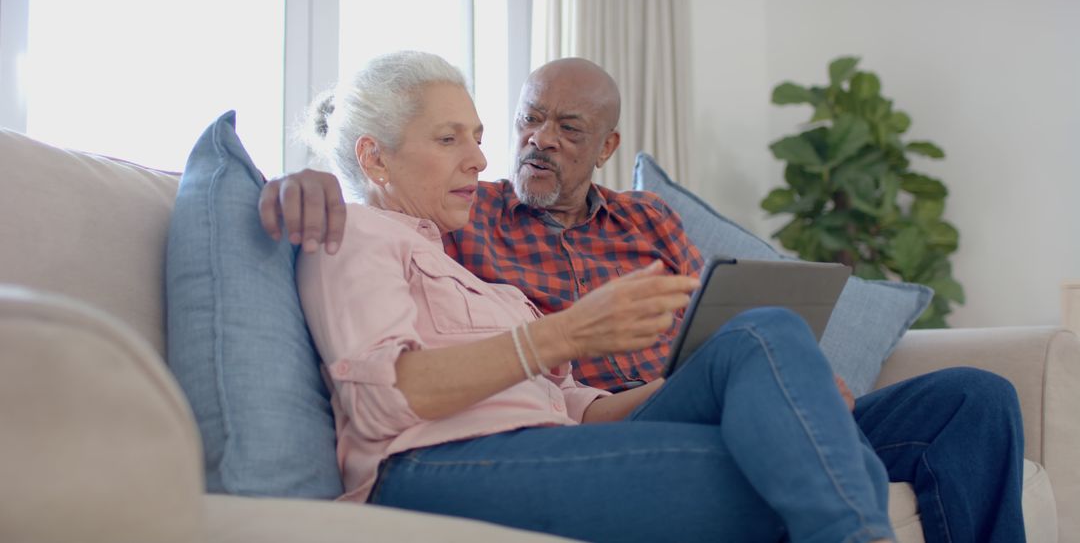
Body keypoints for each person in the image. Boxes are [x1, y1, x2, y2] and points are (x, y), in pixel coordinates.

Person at [263, 57, 1026, 542]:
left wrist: (775, 384)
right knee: (783, 454)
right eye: (452, 139)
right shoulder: (360, 232)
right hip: (433, 464)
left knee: (958, 394)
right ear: (374, 156)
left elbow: (572, 407)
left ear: (607, 147)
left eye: (479, 135)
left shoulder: (476, 274)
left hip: (571, 431)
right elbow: (382, 402)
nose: (490, 155)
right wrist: (561, 335)